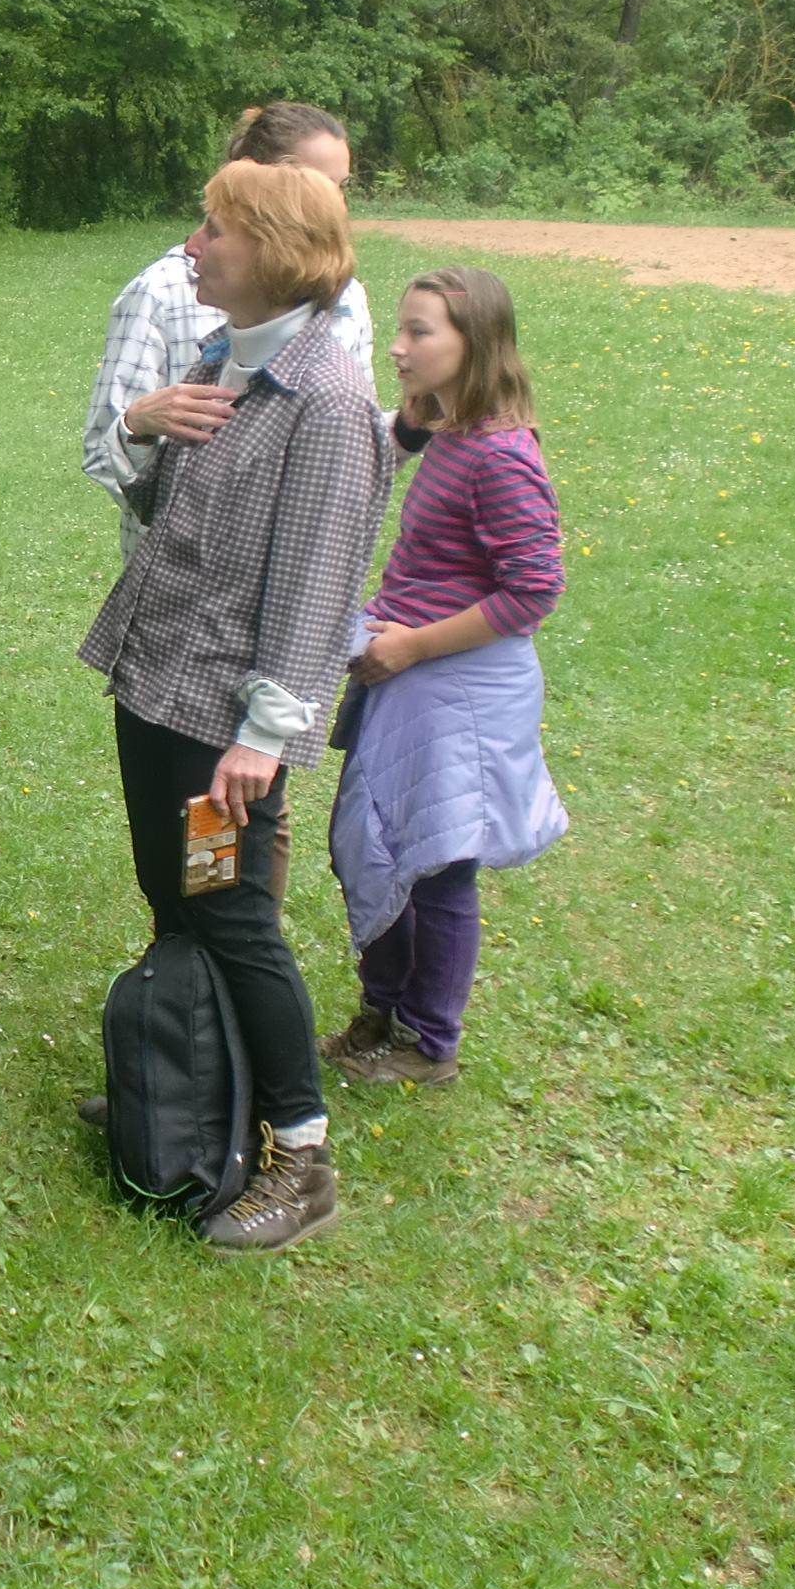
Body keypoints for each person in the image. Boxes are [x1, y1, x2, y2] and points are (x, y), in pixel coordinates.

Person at [77, 161, 396, 1253]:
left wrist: (263, 737)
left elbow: (316, 579)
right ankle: (190, 1085)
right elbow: (164, 509)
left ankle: (300, 1155)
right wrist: (139, 422)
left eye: (214, 228)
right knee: (173, 892)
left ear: (271, 248)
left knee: (229, 913)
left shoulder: (325, 402)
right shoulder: (226, 360)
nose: (194, 244)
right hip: (157, 688)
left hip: (221, 730)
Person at [319, 268, 568, 1085]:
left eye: (419, 332)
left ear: (475, 342)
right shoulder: (457, 435)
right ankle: (382, 1011)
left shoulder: (500, 455)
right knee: (380, 845)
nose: (397, 347)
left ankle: (430, 1044)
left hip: (455, 686)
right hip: (409, 675)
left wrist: (415, 647)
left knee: (438, 866)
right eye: (399, 329)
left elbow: (534, 591)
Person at [83, 103, 374, 564]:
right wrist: (137, 427)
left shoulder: (347, 298)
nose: (335, 206)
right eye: (319, 184)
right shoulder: (164, 293)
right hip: (166, 576)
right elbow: (106, 449)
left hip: (284, 574)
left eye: (341, 188)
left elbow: (357, 454)